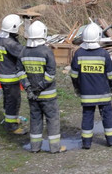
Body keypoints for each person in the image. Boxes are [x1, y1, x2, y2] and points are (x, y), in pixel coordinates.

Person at [70, 23, 112, 149]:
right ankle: (111, 141)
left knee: (87, 117)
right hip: (104, 93)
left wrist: (77, 88)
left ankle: (86, 143)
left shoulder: (79, 54)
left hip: (86, 94)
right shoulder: (104, 54)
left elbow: (74, 75)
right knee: (107, 116)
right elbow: (111, 74)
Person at [20, 21, 65, 153]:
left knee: (35, 119)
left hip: (32, 95)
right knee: (52, 120)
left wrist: (28, 88)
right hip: (48, 95)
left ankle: (35, 147)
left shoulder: (23, 51)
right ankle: (55, 148)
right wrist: (40, 87)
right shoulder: (46, 52)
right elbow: (50, 74)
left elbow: (20, 72)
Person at [0, 14, 26, 135]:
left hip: (2, 74)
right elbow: (23, 53)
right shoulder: (10, 43)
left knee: (7, 99)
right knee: (13, 100)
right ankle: (11, 126)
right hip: (10, 77)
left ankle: (9, 118)